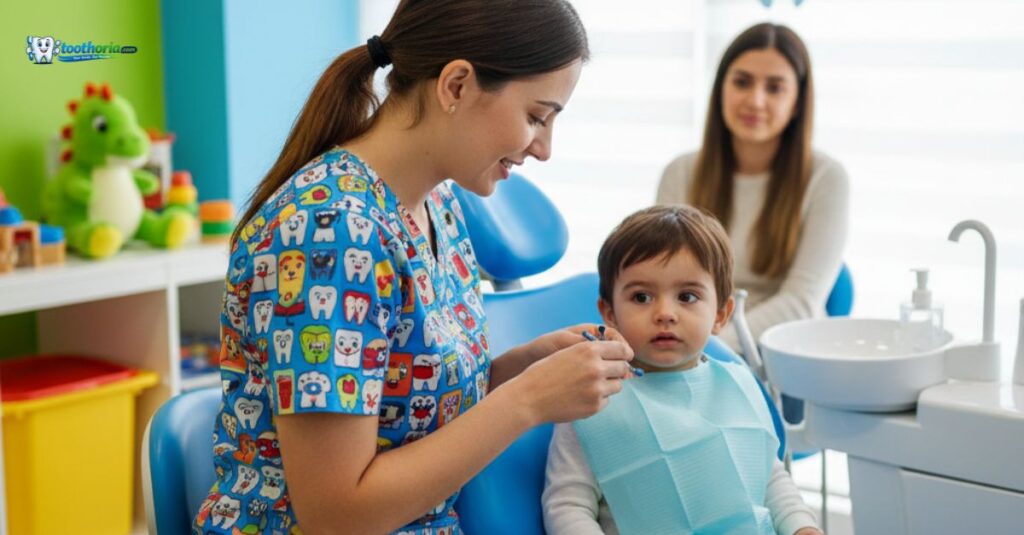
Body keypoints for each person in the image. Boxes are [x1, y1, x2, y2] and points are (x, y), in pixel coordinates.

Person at [192, 2, 636, 534]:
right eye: (536, 117)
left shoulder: (438, 206)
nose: (544, 149)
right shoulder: (329, 233)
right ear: (456, 86)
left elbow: (403, 409)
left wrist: (519, 369)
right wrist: (528, 400)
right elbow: (336, 516)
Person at [542, 205, 822, 535]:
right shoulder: (588, 399)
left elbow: (770, 480)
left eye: (687, 296)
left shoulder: (737, 385)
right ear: (610, 313)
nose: (665, 313)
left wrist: (803, 527)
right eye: (642, 297)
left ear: (721, 314)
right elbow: (568, 505)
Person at [656, 23, 849, 353]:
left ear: (797, 102)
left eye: (774, 88)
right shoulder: (681, 172)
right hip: (692, 347)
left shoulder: (827, 178)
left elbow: (801, 302)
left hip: (777, 354)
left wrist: (711, 345)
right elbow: (663, 281)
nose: (756, 101)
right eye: (742, 82)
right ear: (721, 89)